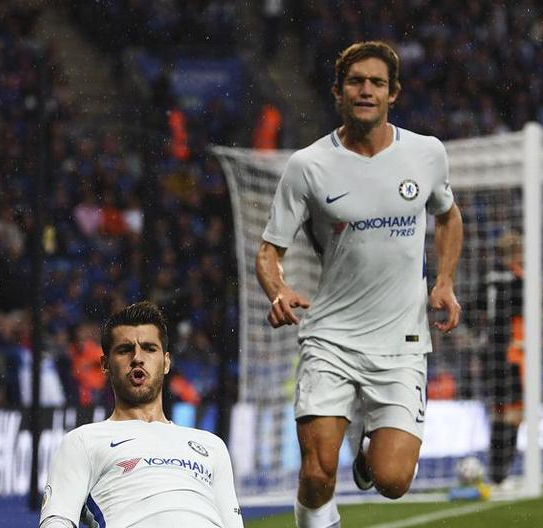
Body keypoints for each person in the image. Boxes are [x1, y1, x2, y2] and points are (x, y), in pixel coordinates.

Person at [255, 40, 463, 527]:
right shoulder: (308, 166)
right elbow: (269, 251)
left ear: (394, 93)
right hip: (332, 338)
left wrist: (446, 281)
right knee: (317, 472)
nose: (365, 90)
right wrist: (277, 290)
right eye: (355, 82)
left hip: (403, 341)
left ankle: (367, 460)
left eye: (376, 83)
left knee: (393, 481)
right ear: (337, 92)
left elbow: (449, 217)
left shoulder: (427, 154)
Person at [38, 302, 244, 528]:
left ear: (166, 362)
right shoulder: (83, 442)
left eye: (149, 348)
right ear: (105, 364)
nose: (137, 357)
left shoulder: (211, 446)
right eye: (125, 350)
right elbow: (56, 521)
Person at [477, 230, 524, 486]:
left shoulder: (487, 277)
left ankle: (494, 471)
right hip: (513, 352)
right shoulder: (519, 279)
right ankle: (503, 472)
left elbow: (477, 311)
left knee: (497, 412)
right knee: (513, 414)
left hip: (491, 353)